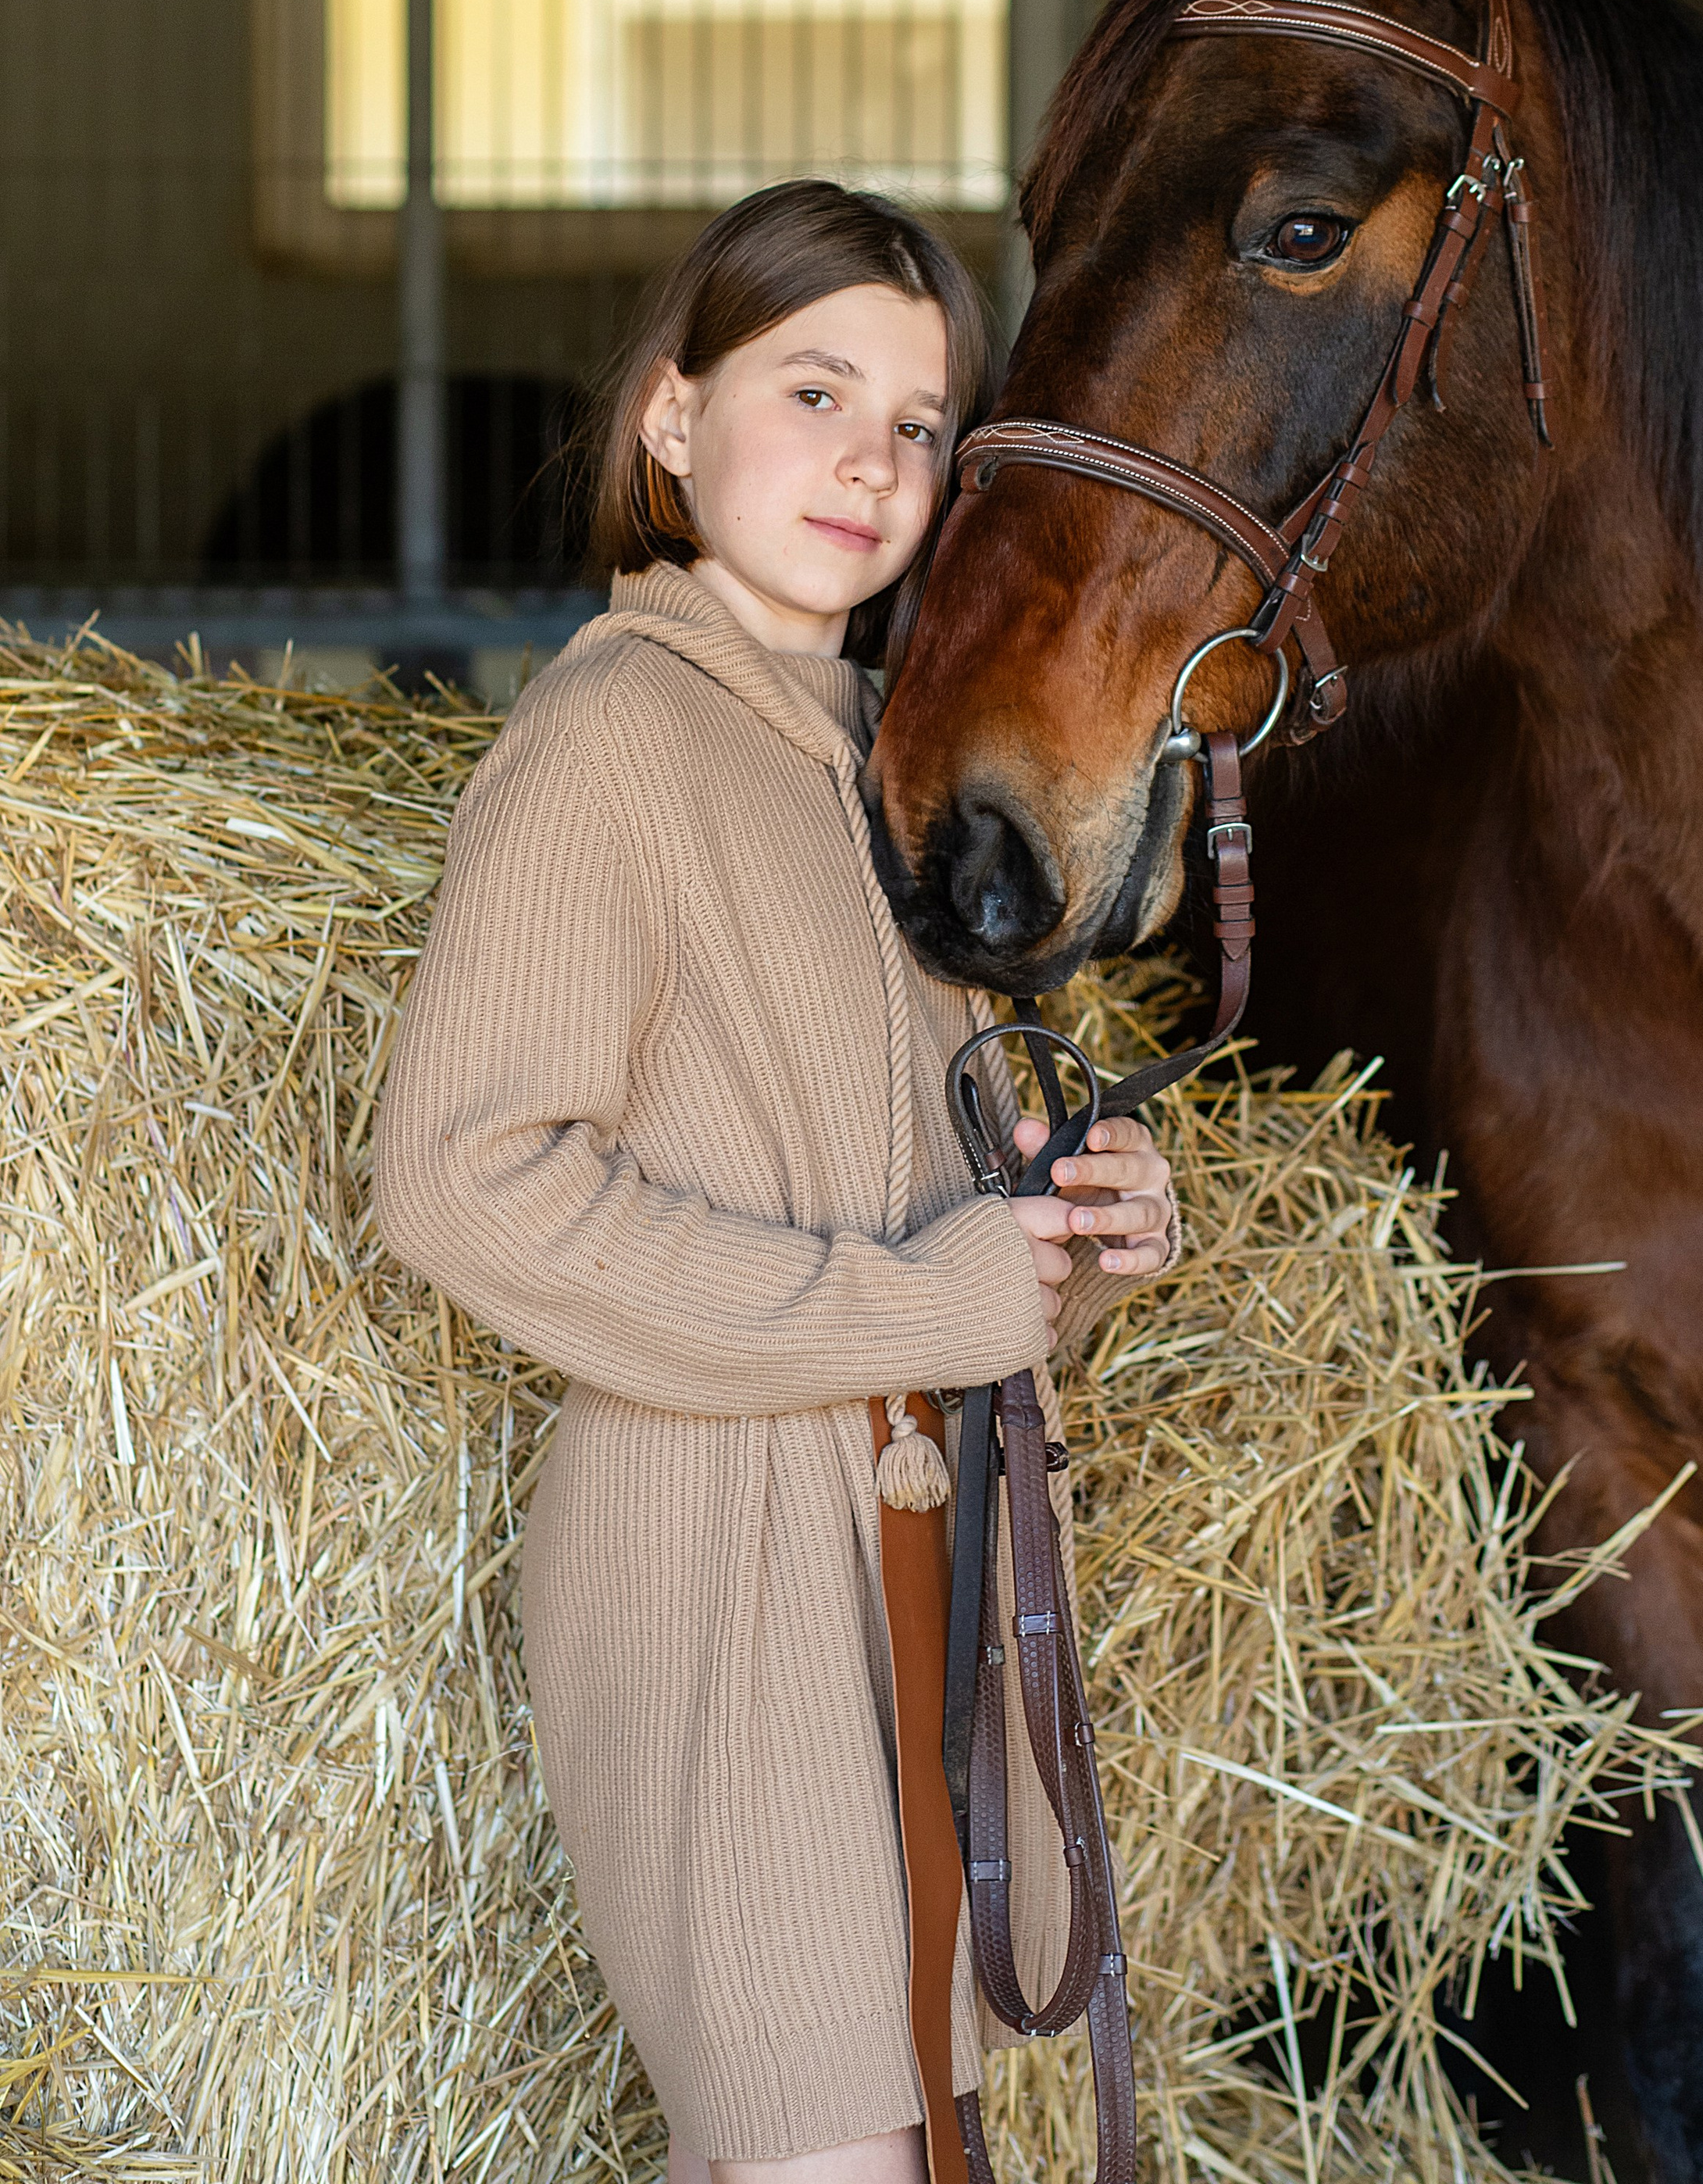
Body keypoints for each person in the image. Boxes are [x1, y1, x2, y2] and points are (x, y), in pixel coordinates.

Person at [374, 181, 1179, 2184]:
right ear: (669, 417)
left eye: (918, 426)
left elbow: (917, 1189)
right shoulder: (608, 742)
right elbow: (460, 1184)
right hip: (726, 1558)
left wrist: (1078, 1228)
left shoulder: (883, 763)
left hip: (918, 1552)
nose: (869, 460)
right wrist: (932, 1304)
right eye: (811, 387)